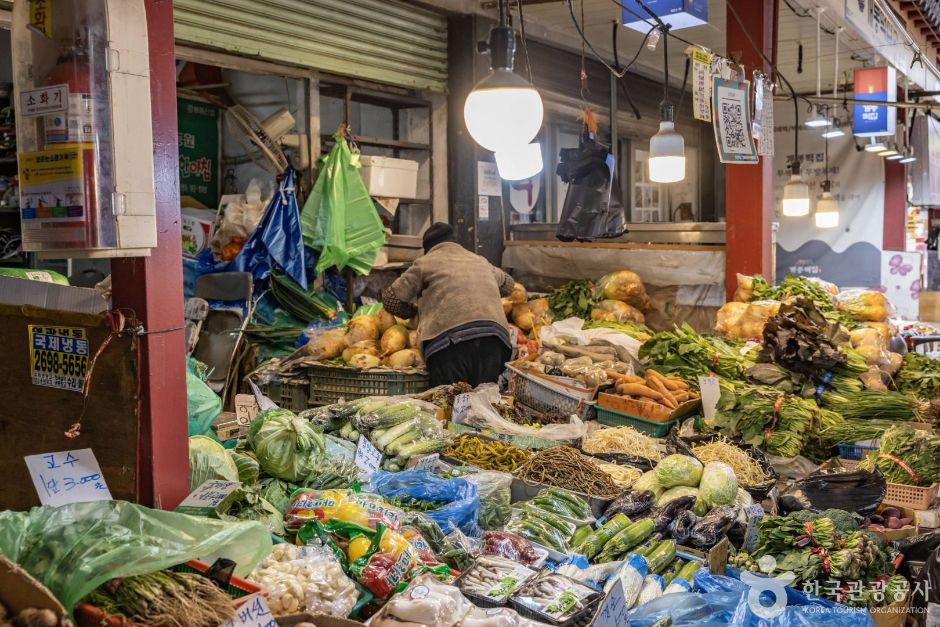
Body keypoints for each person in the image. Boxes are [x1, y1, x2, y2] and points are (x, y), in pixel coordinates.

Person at [382, 222, 515, 387]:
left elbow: (391, 299)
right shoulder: (479, 260)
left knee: (450, 404)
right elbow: (509, 284)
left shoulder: (425, 263)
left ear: (428, 248)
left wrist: (412, 313)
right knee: (484, 403)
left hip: (451, 345)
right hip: (494, 341)